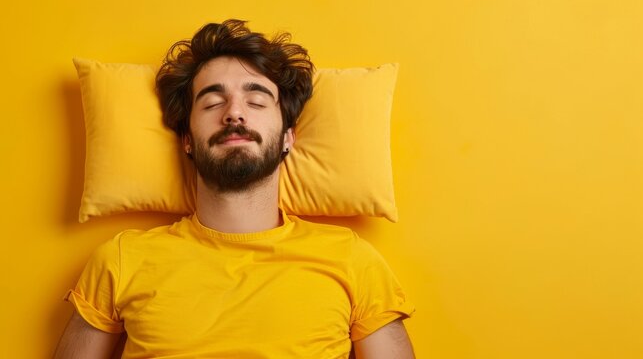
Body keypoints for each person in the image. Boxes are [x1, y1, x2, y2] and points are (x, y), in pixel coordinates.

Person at [54, 19, 415, 359]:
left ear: (289, 137)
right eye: (212, 102)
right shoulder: (120, 260)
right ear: (187, 141)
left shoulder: (353, 260)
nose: (234, 113)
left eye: (256, 101)